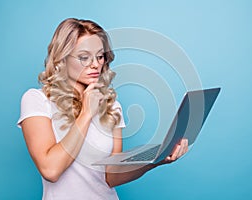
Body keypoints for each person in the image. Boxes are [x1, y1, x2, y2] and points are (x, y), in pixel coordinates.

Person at [17, 18, 188, 200]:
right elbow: (50, 170)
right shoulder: (37, 100)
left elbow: (111, 176)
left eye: (100, 56)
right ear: (62, 58)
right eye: (84, 57)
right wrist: (87, 112)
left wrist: (156, 160)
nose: (95, 64)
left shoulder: (111, 105)